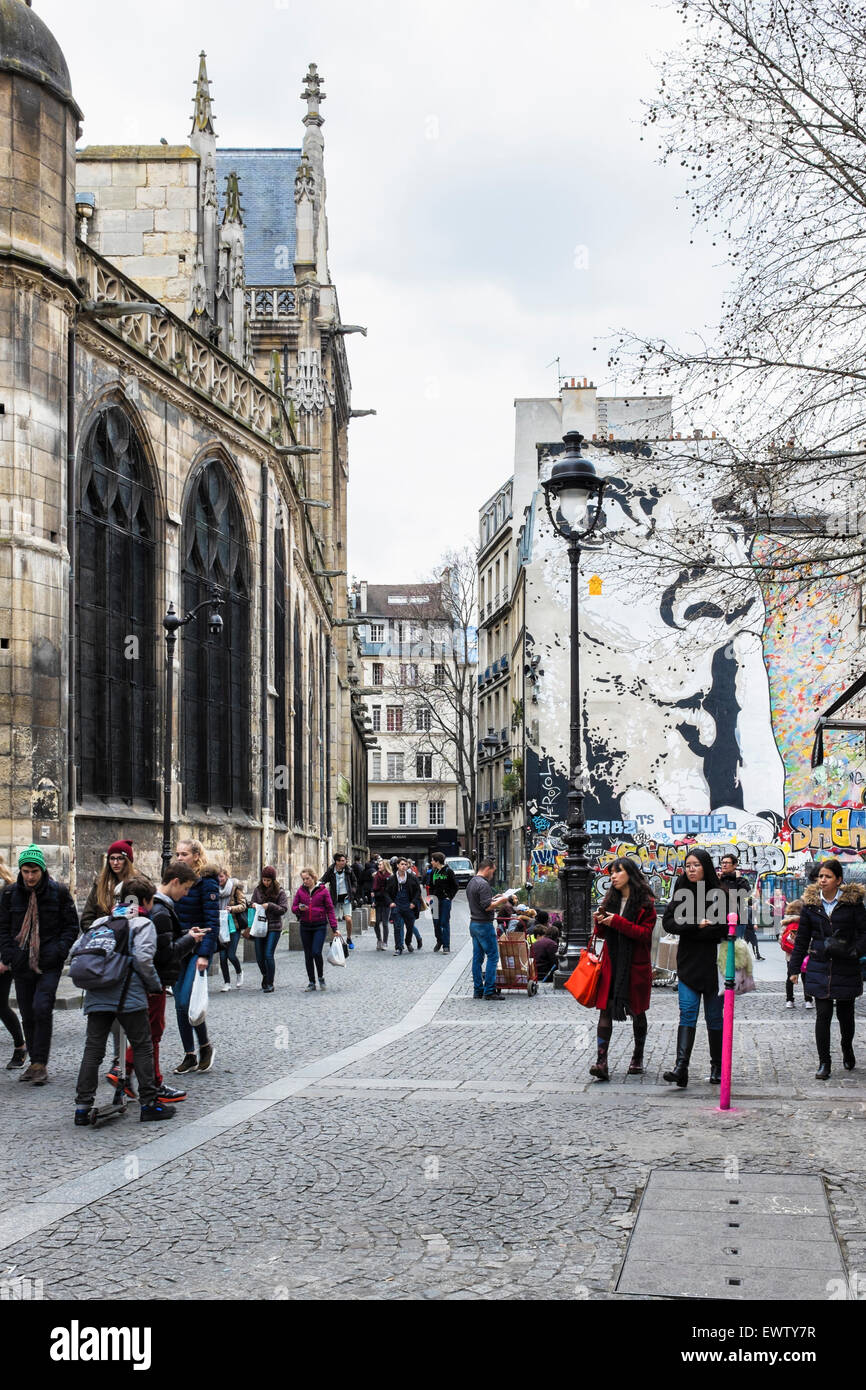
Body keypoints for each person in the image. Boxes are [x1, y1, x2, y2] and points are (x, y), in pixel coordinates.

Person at [73, 876, 177, 1125]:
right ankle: (149, 1104)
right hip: (128, 995)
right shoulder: (142, 923)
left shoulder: (101, 921)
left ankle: (82, 1107)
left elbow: (76, 950)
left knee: (93, 1049)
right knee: (142, 1045)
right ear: (145, 900)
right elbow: (142, 959)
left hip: (97, 993)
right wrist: (153, 985)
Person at [110, 861, 203, 1103]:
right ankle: (143, 1078)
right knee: (153, 1033)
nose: (187, 893)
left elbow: (162, 942)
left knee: (149, 1032)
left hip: (141, 980)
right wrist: (190, 941)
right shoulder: (160, 910)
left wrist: (185, 934)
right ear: (175, 882)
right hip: (154, 980)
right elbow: (164, 953)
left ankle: (131, 1074)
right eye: (186, 888)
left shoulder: (155, 908)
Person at [0, 846, 79, 1085]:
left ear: (42, 870)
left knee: (41, 1007)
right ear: (20, 870)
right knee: (27, 1012)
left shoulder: (59, 892)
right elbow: (3, 928)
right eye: (26, 871)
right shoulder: (9, 894)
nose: (30, 876)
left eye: (34, 871)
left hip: (49, 962)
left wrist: (59, 951)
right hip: (22, 963)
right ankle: (34, 1060)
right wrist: (11, 954)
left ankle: (39, 1063)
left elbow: (71, 926)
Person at [788, 859, 866, 1080]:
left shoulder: (853, 904)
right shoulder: (811, 906)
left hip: (846, 965)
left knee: (845, 1015)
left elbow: (864, 933)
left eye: (828, 876)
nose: (822, 880)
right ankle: (824, 1062)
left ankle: (847, 1047)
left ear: (838, 880)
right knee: (822, 1015)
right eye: (820, 876)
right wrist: (794, 969)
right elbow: (802, 939)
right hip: (819, 966)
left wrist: (854, 950)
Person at [661, 847, 727, 1087]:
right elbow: (668, 923)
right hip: (688, 965)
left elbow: (722, 928)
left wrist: (694, 928)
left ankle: (717, 1067)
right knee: (687, 1014)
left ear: (705, 867)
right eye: (688, 865)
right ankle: (681, 1068)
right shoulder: (681, 892)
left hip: (714, 966)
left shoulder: (720, 894)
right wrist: (696, 924)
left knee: (714, 1019)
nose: (691, 869)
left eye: (696, 865)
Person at [588, 858, 656, 1081]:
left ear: (630, 874)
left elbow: (644, 935)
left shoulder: (646, 903)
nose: (613, 876)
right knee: (605, 1011)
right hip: (612, 964)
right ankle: (601, 1061)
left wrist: (616, 921)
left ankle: (637, 1057)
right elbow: (601, 934)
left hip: (635, 966)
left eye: (618, 872)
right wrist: (600, 921)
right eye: (611, 873)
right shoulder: (611, 900)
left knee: (638, 1011)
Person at [172, 839, 220, 1075]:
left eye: (184, 854)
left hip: (197, 949)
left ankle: (205, 1046)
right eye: (177, 854)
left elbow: (213, 922)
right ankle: (191, 1053)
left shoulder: (207, 882)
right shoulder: (175, 878)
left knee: (185, 1000)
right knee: (180, 1005)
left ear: (197, 856)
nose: (179, 858)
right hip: (178, 946)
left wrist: (204, 954)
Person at [465, 857, 510, 1000]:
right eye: (493, 871)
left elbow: (481, 902)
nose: (493, 874)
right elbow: (486, 907)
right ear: (487, 868)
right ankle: (489, 991)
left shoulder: (472, 882)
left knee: (477, 958)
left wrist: (493, 899)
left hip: (474, 923)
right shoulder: (483, 884)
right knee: (493, 956)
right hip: (484, 925)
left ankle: (478, 990)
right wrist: (502, 901)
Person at [291, 868, 338, 991]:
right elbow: (293, 908)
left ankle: (321, 977)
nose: (305, 881)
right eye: (303, 879)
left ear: (313, 877)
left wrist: (334, 927)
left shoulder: (323, 891)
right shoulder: (301, 891)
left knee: (316, 952)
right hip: (305, 926)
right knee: (308, 955)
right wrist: (299, 909)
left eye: (307, 878)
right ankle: (311, 982)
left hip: (320, 925)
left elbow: (330, 909)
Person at [0, 855, 26, 1069]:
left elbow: (9, 927)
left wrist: (4, 959)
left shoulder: (7, 890)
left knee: (0, 1005)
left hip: (2, 956)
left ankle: (20, 1046)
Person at [245, 866, 288, 992]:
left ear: (273, 880)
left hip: (274, 927)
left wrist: (269, 905)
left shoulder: (280, 891)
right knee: (259, 956)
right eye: (264, 880)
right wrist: (252, 905)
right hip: (259, 926)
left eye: (268, 880)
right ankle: (265, 975)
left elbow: (283, 909)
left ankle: (270, 982)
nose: (266, 882)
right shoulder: (258, 890)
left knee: (268, 954)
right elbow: (251, 903)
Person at [79, 840, 136, 931]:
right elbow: (87, 918)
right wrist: (96, 933)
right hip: (102, 938)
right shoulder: (100, 884)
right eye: (112, 858)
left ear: (127, 861)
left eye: (120, 858)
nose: (115, 863)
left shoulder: (137, 884)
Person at [385, 858, 425, 954]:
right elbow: (386, 892)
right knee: (397, 927)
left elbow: (418, 892)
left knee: (410, 927)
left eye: (406, 864)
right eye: (402, 864)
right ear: (398, 865)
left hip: (409, 905)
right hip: (397, 905)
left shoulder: (412, 878)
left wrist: (413, 903)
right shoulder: (392, 879)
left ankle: (408, 942)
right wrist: (391, 902)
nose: (404, 866)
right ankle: (399, 947)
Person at [780, 898, 813, 1010]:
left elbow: (781, 939)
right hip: (805, 954)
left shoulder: (786, 922)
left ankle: (789, 1000)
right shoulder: (806, 921)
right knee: (806, 977)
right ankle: (808, 1000)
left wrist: (788, 948)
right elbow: (811, 938)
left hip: (790, 955)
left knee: (790, 976)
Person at [217, 867, 246, 992]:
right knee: (222, 956)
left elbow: (243, 905)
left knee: (231, 954)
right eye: (217, 877)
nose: (219, 879)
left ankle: (239, 972)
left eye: (221, 876)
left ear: (226, 876)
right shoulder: (213, 889)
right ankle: (227, 982)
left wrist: (232, 909)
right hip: (220, 925)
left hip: (233, 925)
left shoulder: (234, 888)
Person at [321, 854, 357, 949]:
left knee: (348, 919)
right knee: (334, 921)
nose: (343, 862)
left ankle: (349, 938)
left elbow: (354, 882)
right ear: (336, 862)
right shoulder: (331, 870)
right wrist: (318, 886)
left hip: (346, 897)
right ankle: (335, 940)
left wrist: (352, 891)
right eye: (341, 860)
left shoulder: (349, 870)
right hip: (335, 898)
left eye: (344, 860)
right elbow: (323, 880)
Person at [429, 852, 458, 953]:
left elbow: (455, 886)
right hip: (435, 901)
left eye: (432, 860)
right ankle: (439, 941)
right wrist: (431, 898)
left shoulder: (448, 871)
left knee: (444, 922)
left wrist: (449, 897)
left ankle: (446, 945)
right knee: (436, 922)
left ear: (437, 861)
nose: (431, 862)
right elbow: (430, 886)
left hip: (445, 901)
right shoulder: (433, 872)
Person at [371, 858, 392, 950]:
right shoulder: (375, 876)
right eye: (378, 865)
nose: (379, 866)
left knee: (385, 923)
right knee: (376, 923)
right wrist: (373, 900)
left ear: (385, 866)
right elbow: (372, 890)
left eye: (381, 865)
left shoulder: (390, 876)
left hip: (386, 902)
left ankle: (385, 942)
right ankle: (379, 940)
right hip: (377, 902)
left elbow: (390, 891)